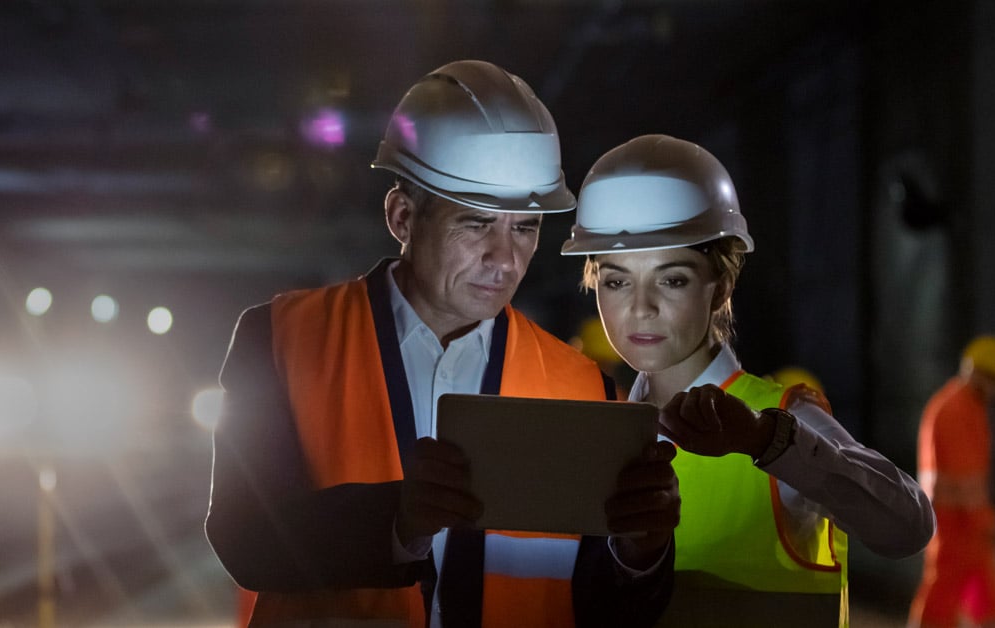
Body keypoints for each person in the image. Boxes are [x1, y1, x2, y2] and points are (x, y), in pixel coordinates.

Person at [206, 61, 679, 627]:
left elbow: (605, 607)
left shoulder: (584, 387)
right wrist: (397, 525)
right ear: (403, 217)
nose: (505, 259)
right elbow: (242, 536)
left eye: (524, 228)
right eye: (476, 224)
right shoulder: (281, 340)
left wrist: (641, 552)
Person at [559, 134, 936, 626]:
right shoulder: (594, 434)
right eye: (616, 280)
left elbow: (907, 528)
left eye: (672, 278)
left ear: (722, 287)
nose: (640, 306)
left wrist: (765, 439)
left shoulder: (782, 419)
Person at [909, 335, 995, 628]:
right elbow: (964, 481)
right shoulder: (957, 411)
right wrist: (987, 521)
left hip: (967, 530)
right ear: (983, 375)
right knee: (939, 608)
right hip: (954, 528)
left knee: (985, 605)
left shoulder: (966, 406)